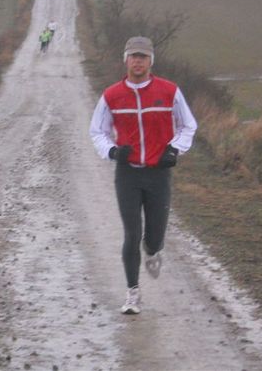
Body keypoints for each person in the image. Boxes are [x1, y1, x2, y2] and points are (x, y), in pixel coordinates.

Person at [89, 36, 197, 315]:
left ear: (151, 61)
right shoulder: (112, 95)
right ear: (125, 60)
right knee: (131, 233)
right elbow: (97, 132)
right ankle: (132, 293)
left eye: (143, 56)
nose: (138, 61)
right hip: (127, 175)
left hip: (158, 174)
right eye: (133, 56)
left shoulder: (169, 91)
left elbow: (188, 126)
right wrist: (112, 152)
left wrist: (175, 149)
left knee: (154, 234)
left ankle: (153, 250)